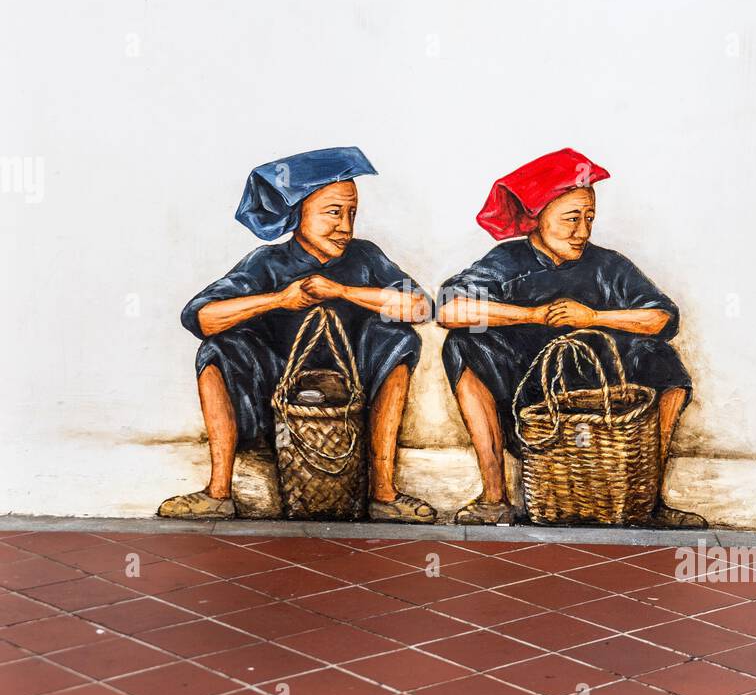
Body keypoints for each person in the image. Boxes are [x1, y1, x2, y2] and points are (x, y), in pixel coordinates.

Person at [159, 146, 435, 522]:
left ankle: (384, 494)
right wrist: (279, 300)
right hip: (275, 395)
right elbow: (201, 317)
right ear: (299, 212)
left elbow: (420, 307)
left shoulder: (365, 257)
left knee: (399, 339)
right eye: (333, 212)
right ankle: (217, 493)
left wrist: (341, 291)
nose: (345, 226)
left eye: (352, 213)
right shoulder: (267, 262)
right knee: (217, 348)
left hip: (354, 389)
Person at [437, 147, 705, 527]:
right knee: (463, 345)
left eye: (589, 218)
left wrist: (593, 317)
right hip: (526, 394)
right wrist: (534, 315)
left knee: (662, 359)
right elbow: (449, 309)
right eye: (572, 219)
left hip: (602, 395)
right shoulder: (506, 261)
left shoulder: (607, 265)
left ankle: (647, 500)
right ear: (538, 216)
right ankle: (494, 498)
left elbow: (663, 317)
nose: (583, 231)